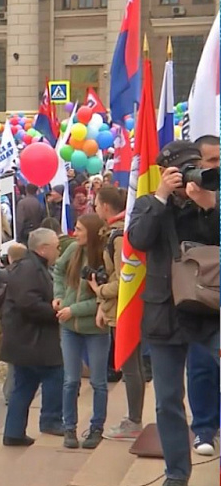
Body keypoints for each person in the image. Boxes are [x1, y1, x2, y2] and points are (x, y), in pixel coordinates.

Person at [127, 140, 219, 486]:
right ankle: (176, 472)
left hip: (208, 310)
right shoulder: (150, 204)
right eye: (183, 170)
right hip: (164, 314)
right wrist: (163, 196)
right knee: (167, 399)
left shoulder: (210, 201)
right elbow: (138, 239)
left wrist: (209, 207)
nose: (191, 176)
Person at [0, 228, 65, 446]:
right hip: (31, 339)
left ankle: (14, 432)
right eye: (56, 246)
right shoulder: (29, 269)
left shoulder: (31, 266)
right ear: (43, 249)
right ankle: (51, 420)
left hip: (26, 340)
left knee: (24, 386)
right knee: (54, 374)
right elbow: (28, 303)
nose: (58, 250)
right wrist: (52, 310)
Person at [91, 186, 145, 441]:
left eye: (96, 203)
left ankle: (134, 420)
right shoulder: (119, 230)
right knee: (132, 366)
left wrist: (100, 291)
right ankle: (134, 417)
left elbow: (125, 278)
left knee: (131, 366)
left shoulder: (118, 235)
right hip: (119, 306)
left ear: (105, 206)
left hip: (126, 306)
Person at [53, 213, 109, 450]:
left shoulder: (104, 256)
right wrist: (57, 296)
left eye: (79, 229)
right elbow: (57, 271)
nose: (75, 233)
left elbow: (102, 298)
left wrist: (73, 309)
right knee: (70, 380)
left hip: (94, 329)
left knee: (98, 381)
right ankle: (69, 428)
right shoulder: (73, 250)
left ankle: (96, 427)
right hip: (69, 328)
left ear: (92, 233)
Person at [184, 135, 220, 457]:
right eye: (211, 161)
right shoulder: (181, 201)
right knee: (201, 366)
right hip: (199, 301)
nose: (217, 168)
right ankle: (205, 429)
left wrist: (213, 206)